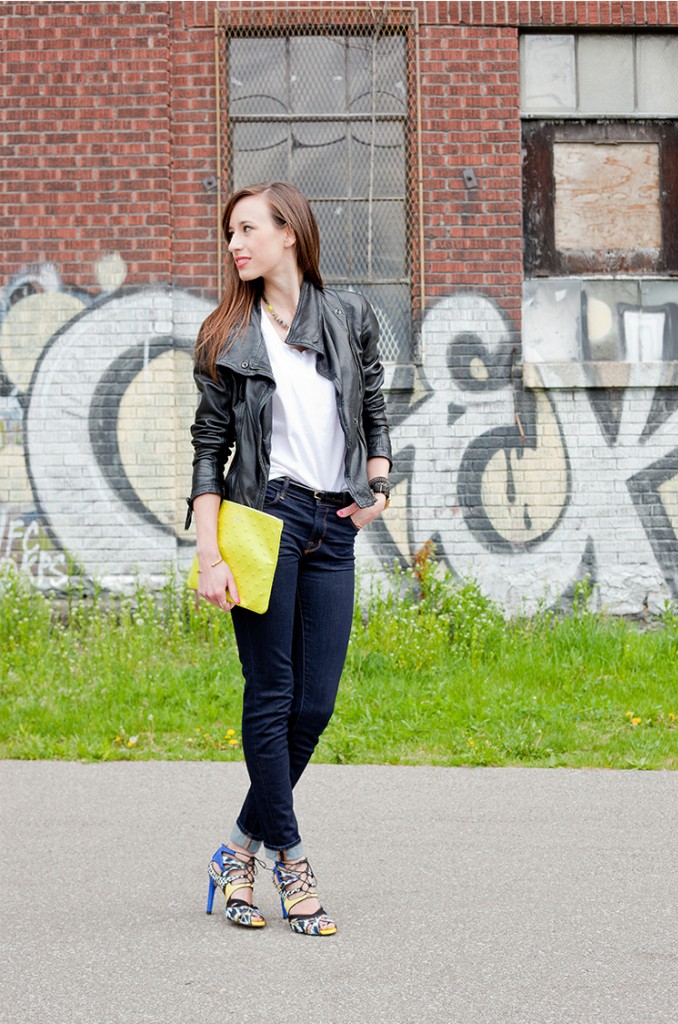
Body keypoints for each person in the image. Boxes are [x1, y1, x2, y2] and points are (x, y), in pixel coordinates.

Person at [187, 181, 392, 937]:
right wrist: (210, 555)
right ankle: (292, 864)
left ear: (290, 235)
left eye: (247, 229)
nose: (235, 243)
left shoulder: (348, 317)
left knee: (314, 704)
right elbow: (210, 455)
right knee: (272, 694)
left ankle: (236, 849)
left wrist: (380, 485)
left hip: (332, 523)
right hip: (260, 520)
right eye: (229, 233)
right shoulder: (224, 336)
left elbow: (372, 405)